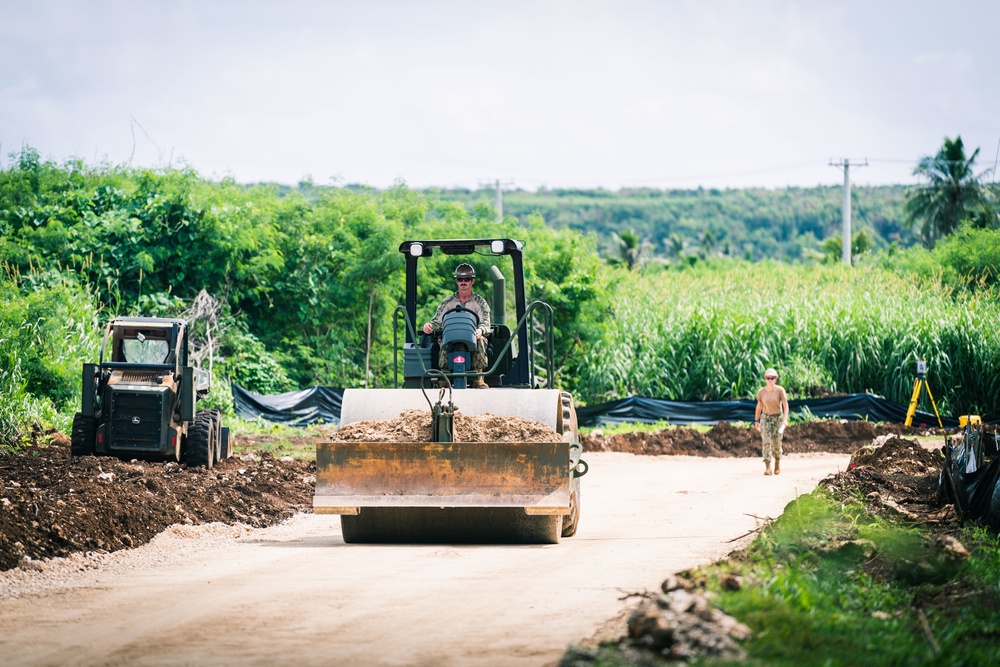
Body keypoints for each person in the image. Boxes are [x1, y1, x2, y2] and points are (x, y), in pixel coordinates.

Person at [422, 263, 491, 388]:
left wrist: (480, 330)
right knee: (442, 339)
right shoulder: (448, 302)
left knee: (481, 340)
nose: (463, 282)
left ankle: (478, 378)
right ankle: (444, 378)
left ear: (472, 281)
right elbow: (437, 321)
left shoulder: (480, 302)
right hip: (450, 335)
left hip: (472, 336)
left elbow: (485, 322)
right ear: (456, 281)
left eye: (467, 279)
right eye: (460, 279)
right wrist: (428, 326)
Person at [755, 367, 789, 476]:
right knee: (766, 441)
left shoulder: (780, 390)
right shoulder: (761, 392)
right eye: (768, 378)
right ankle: (768, 467)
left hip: (777, 418)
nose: (770, 380)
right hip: (766, 418)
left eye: (772, 378)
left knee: (776, 442)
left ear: (775, 379)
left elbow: (785, 405)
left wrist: (785, 419)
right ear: (765, 378)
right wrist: (756, 420)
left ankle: (777, 463)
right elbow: (759, 406)